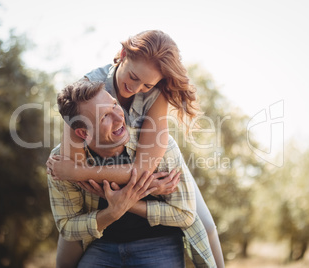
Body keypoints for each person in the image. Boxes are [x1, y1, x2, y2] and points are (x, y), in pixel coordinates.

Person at [48, 30, 225, 267]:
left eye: (146, 84)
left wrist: (81, 173)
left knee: (204, 223)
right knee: (70, 234)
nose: (136, 87)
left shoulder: (157, 92)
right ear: (122, 55)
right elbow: (78, 173)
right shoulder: (88, 91)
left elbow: (136, 167)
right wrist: (147, 185)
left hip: (154, 160)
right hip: (118, 171)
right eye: (133, 77)